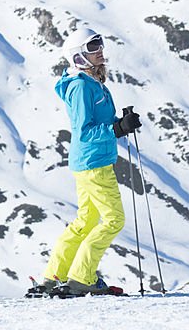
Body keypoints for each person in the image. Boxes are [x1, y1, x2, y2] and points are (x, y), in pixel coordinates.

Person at [40, 27, 141, 295]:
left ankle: (54, 276)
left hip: (89, 162)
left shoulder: (90, 83)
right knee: (113, 220)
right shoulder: (81, 87)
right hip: (94, 163)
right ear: (78, 56)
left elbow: (97, 123)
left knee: (85, 221)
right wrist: (117, 130)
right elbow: (84, 130)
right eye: (93, 47)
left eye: (100, 45)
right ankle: (81, 278)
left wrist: (120, 123)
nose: (100, 51)